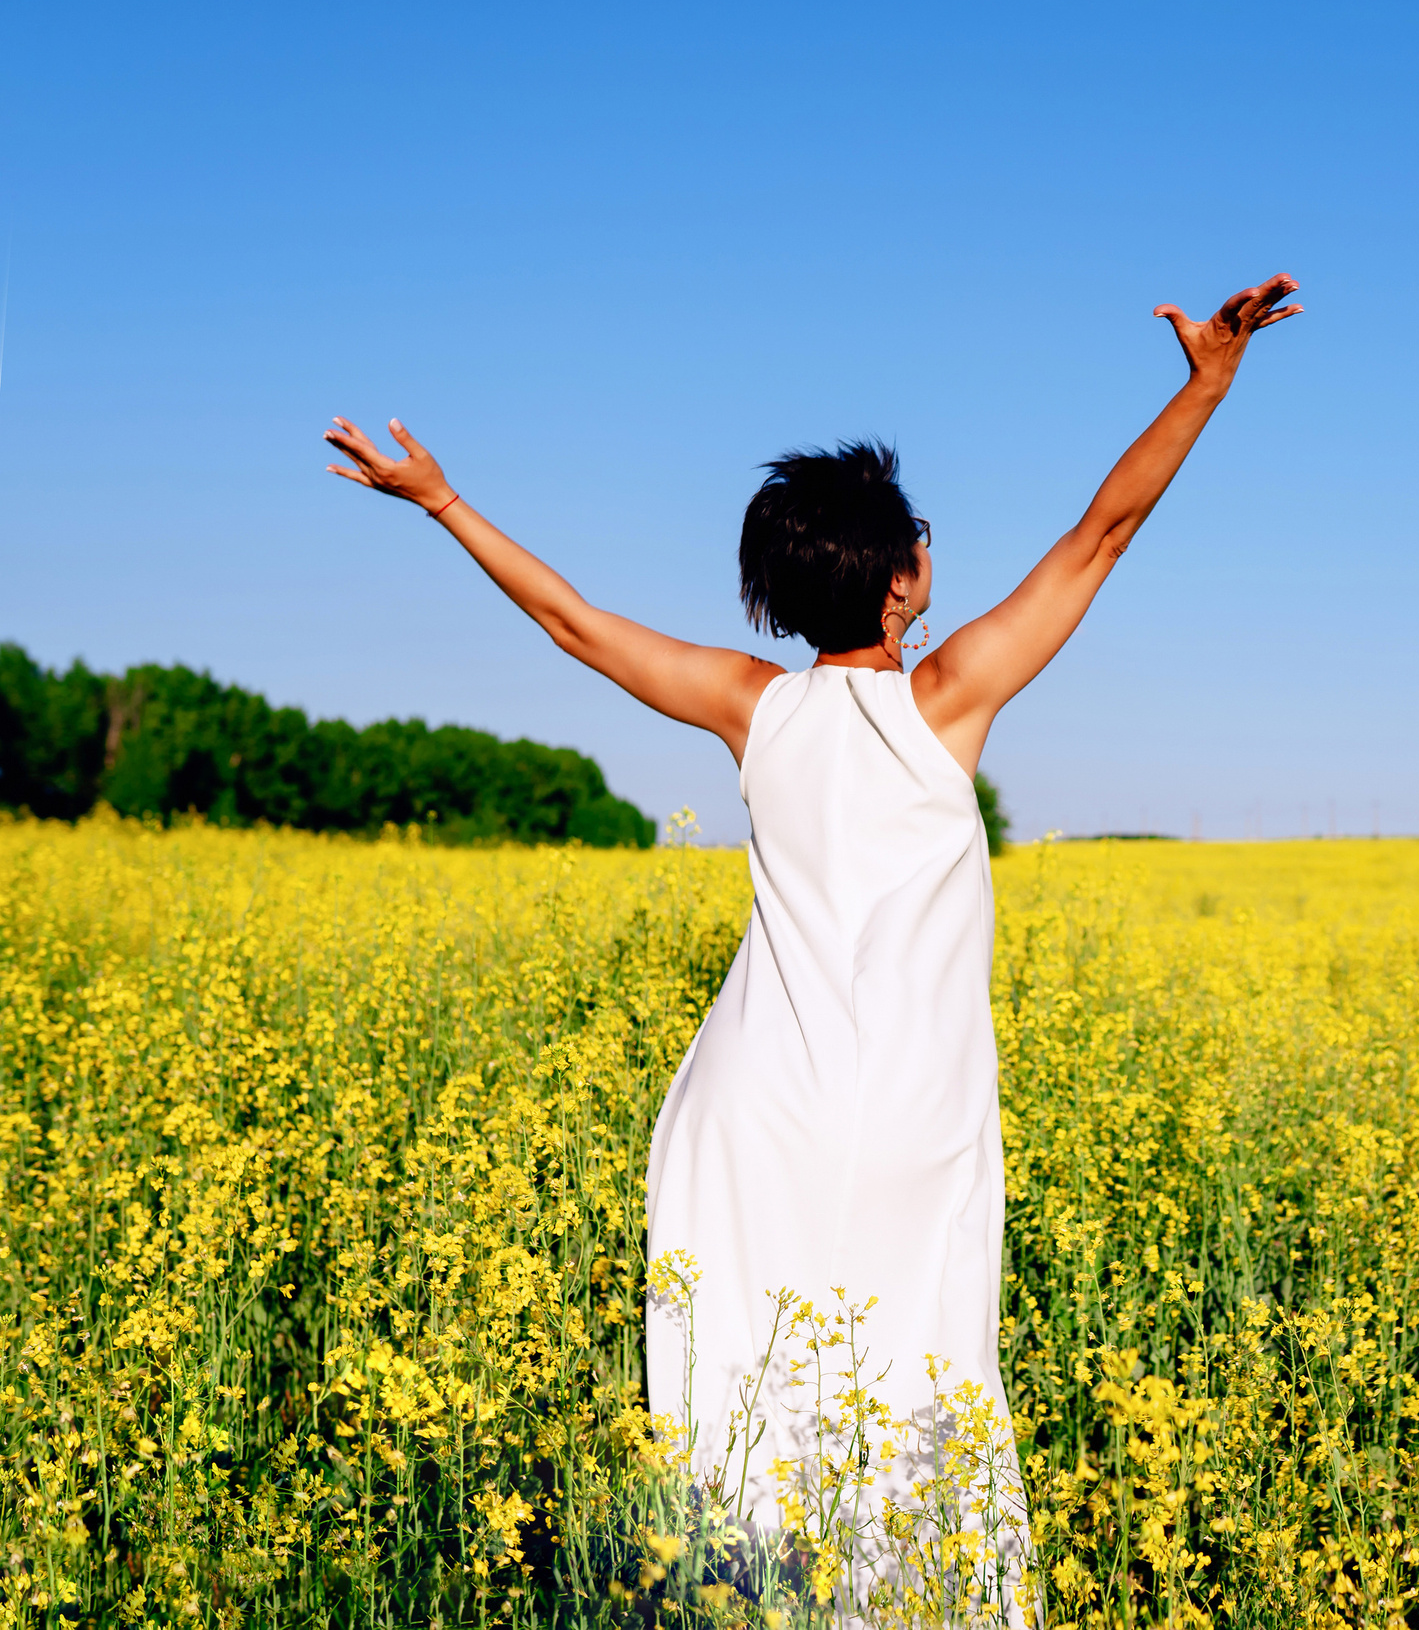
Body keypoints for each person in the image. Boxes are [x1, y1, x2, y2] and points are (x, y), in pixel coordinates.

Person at [322, 273, 1300, 1602]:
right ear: (906, 582)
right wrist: (1205, 385)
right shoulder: (951, 698)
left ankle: (750, 1598)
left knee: (752, 1403)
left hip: (749, 1120)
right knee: (922, 1386)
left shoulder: (751, 704)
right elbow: (1102, 536)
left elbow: (570, 622)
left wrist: (442, 502)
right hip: (906, 1115)